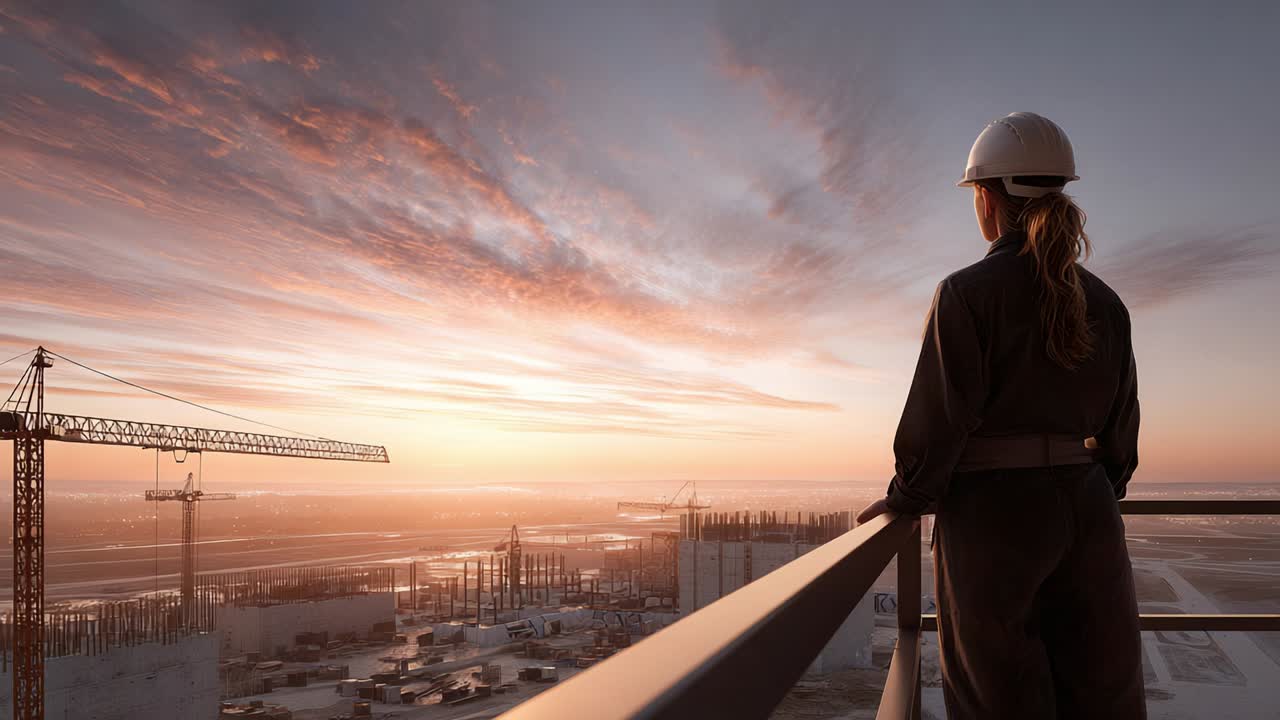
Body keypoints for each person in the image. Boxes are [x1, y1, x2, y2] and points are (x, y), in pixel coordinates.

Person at [856, 112, 1145, 719]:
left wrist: (906, 498)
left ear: (987, 198)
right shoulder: (1107, 303)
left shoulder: (967, 293)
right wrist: (1088, 488)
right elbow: (1121, 436)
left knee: (998, 695)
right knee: (1102, 691)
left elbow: (939, 421)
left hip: (994, 518)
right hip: (1090, 512)